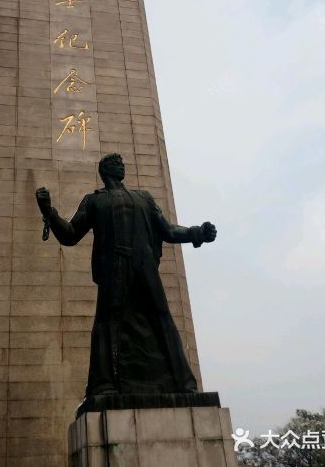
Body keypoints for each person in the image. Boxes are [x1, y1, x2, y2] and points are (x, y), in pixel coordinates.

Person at [35, 153, 216, 398]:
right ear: (105, 171)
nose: (122, 167)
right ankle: (104, 385)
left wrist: (197, 233)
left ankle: (185, 384)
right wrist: (49, 212)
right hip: (114, 267)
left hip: (144, 266)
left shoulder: (144, 198)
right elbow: (70, 234)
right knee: (107, 322)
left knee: (162, 318)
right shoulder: (94, 201)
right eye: (116, 164)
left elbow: (168, 230)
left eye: (122, 164)